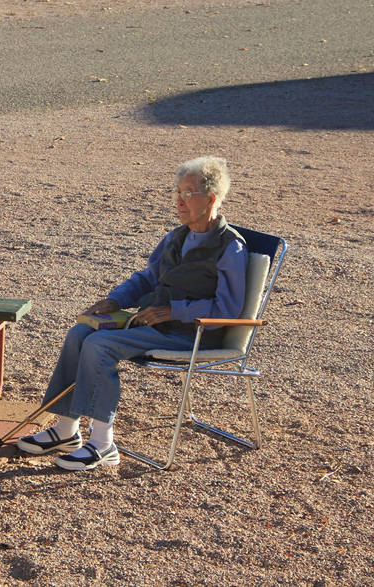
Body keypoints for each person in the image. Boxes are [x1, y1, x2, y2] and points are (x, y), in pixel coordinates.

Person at [17, 156, 249, 471]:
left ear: (211, 199)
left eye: (188, 193)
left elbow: (229, 309)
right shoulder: (176, 237)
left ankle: (103, 445)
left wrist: (174, 311)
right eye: (178, 192)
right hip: (154, 324)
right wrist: (115, 300)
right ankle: (66, 431)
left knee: (100, 345)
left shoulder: (231, 248)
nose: (179, 201)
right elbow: (147, 278)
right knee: (80, 333)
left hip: (191, 335)